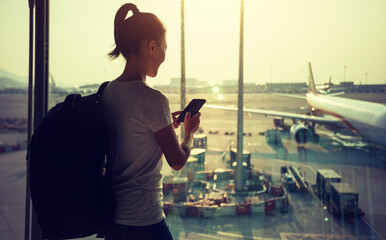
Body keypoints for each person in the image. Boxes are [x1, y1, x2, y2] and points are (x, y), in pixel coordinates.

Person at [100, 3, 201, 240]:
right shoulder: (153, 100)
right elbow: (177, 161)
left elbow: (133, 133)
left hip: (113, 220)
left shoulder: (107, 92)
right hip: (145, 221)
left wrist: (164, 122)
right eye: (164, 48)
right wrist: (189, 133)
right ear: (152, 46)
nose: (165, 55)